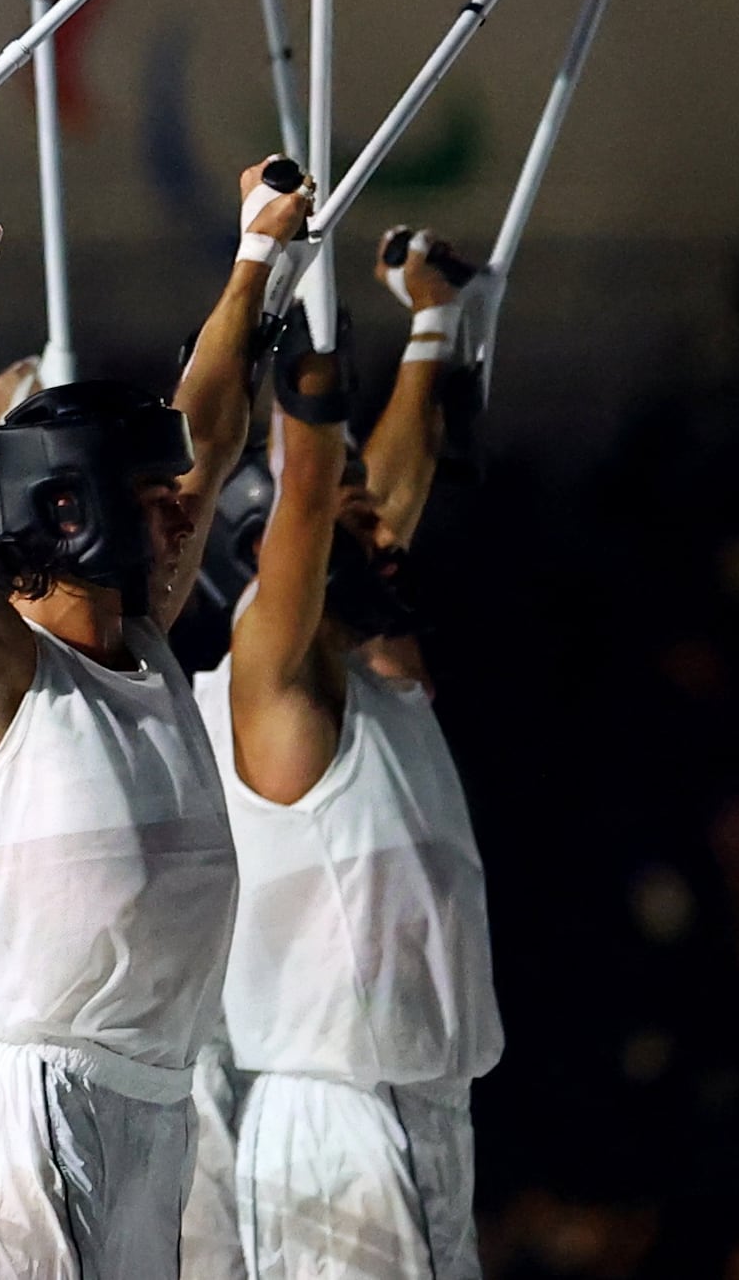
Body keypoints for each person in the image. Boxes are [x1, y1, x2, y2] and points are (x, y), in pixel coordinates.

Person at [0, 195, 238, 1280]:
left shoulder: (146, 649)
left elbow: (209, 443)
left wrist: (255, 260)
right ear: (72, 509)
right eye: (150, 496)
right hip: (33, 1106)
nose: (183, 515)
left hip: (157, 1102)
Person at [191, 225, 497, 1280]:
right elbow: (323, 504)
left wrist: (432, 326)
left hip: (424, 1112)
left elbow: (379, 498)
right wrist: (306, 390)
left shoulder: (376, 680)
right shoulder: (265, 687)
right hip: (329, 1121)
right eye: (347, 527)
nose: (384, 540)